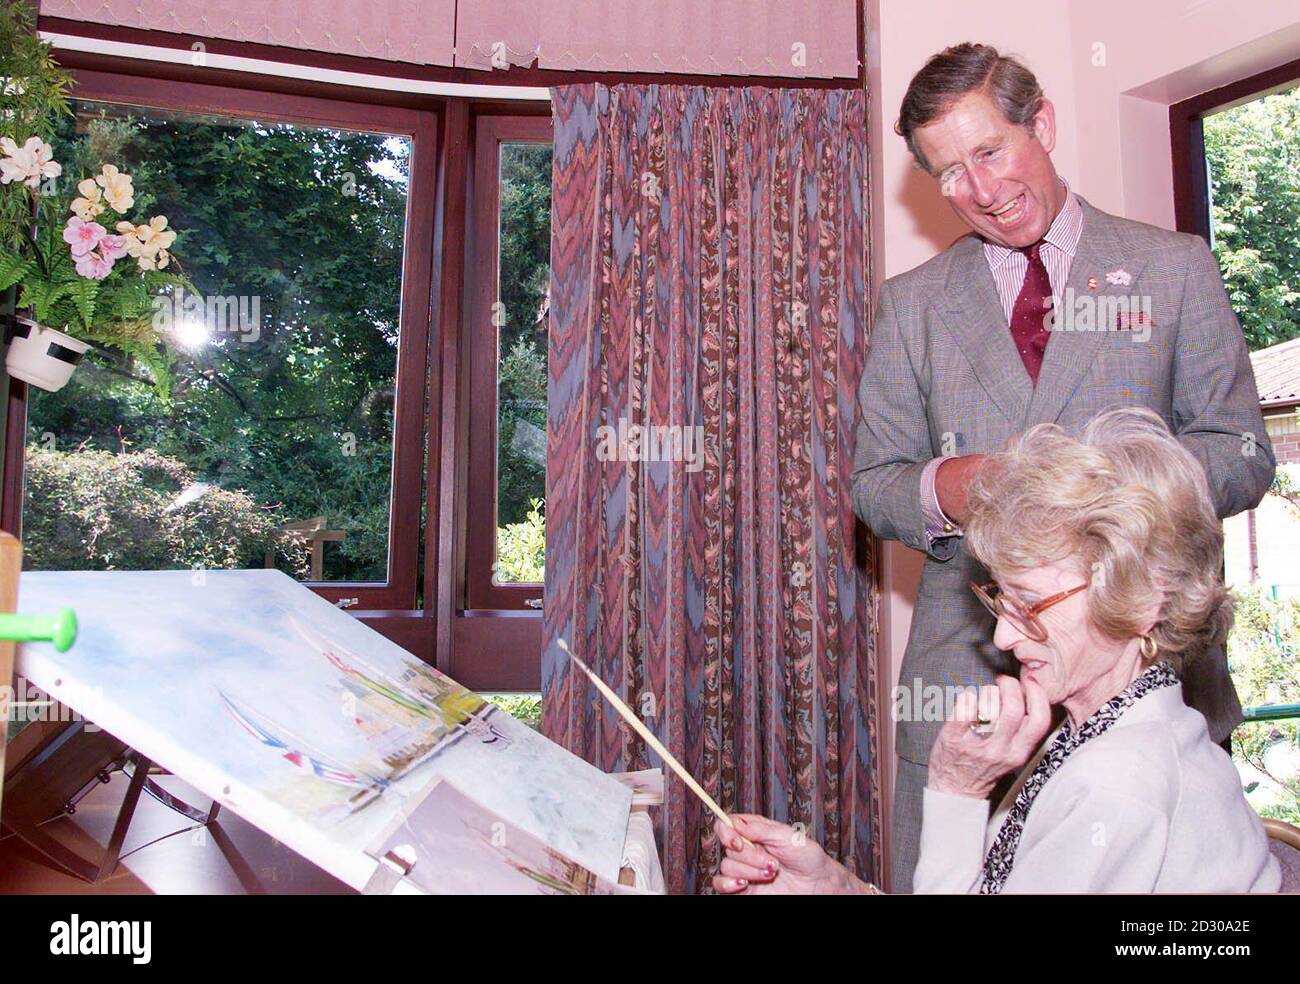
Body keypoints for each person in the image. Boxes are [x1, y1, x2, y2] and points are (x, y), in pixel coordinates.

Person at [852, 42, 1275, 891]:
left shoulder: (1174, 268)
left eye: (989, 152)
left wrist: (1119, 488)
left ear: (1040, 123)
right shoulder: (912, 304)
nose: (978, 190)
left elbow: (1241, 451)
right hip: (968, 686)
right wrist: (954, 486)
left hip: (1143, 663)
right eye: (947, 174)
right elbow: (873, 484)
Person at [714, 408, 1280, 894]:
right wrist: (835, 887)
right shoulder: (1095, 730)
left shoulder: (1119, 782)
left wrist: (956, 787)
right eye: (1001, 600)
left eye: (1031, 603)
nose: (1004, 638)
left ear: (1143, 599)